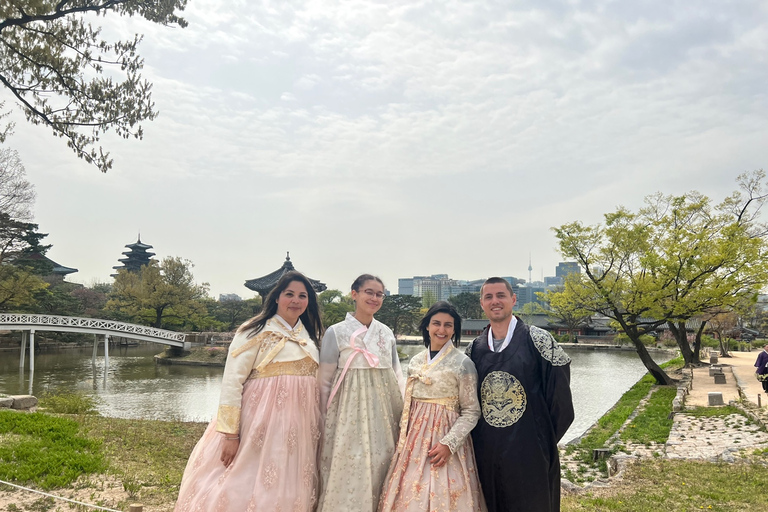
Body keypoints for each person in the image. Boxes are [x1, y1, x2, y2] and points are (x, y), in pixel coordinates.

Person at [175, 271, 324, 512]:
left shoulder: (311, 336)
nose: (295, 300)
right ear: (276, 297)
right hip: (259, 420)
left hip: (300, 423)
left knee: (290, 479)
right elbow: (232, 381)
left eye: (302, 296)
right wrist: (230, 435)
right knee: (243, 478)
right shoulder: (254, 330)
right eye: (289, 294)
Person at [466, 277, 574, 512]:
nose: (495, 301)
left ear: (513, 299)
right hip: (487, 453)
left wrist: (541, 441)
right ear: (481, 304)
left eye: (501, 295)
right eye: (489, 297)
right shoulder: (474, 349)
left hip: (531, 453)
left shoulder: (539, 340)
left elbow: (561, 402)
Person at [378, 301, 485, 512]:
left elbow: (472, 411)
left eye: (448, 325)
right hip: (414, 440)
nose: (441, 330)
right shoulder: (416, 361)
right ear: (427, 326)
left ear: (454, 330)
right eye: (436, 323)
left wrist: (449, 444)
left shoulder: (463, 364)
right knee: (409, 490)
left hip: (446, 437)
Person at [317, 274, 405, 512]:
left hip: (384, 409)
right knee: (350, 462)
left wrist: (404, 410)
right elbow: (324, 380)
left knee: (382, 460)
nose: (374, 298)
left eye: (379, 294)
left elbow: (397, 374)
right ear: (354, 294)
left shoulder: (386, 332)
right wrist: (323, 416)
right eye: (369, 292)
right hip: (348, 409)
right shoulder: (336, 332)